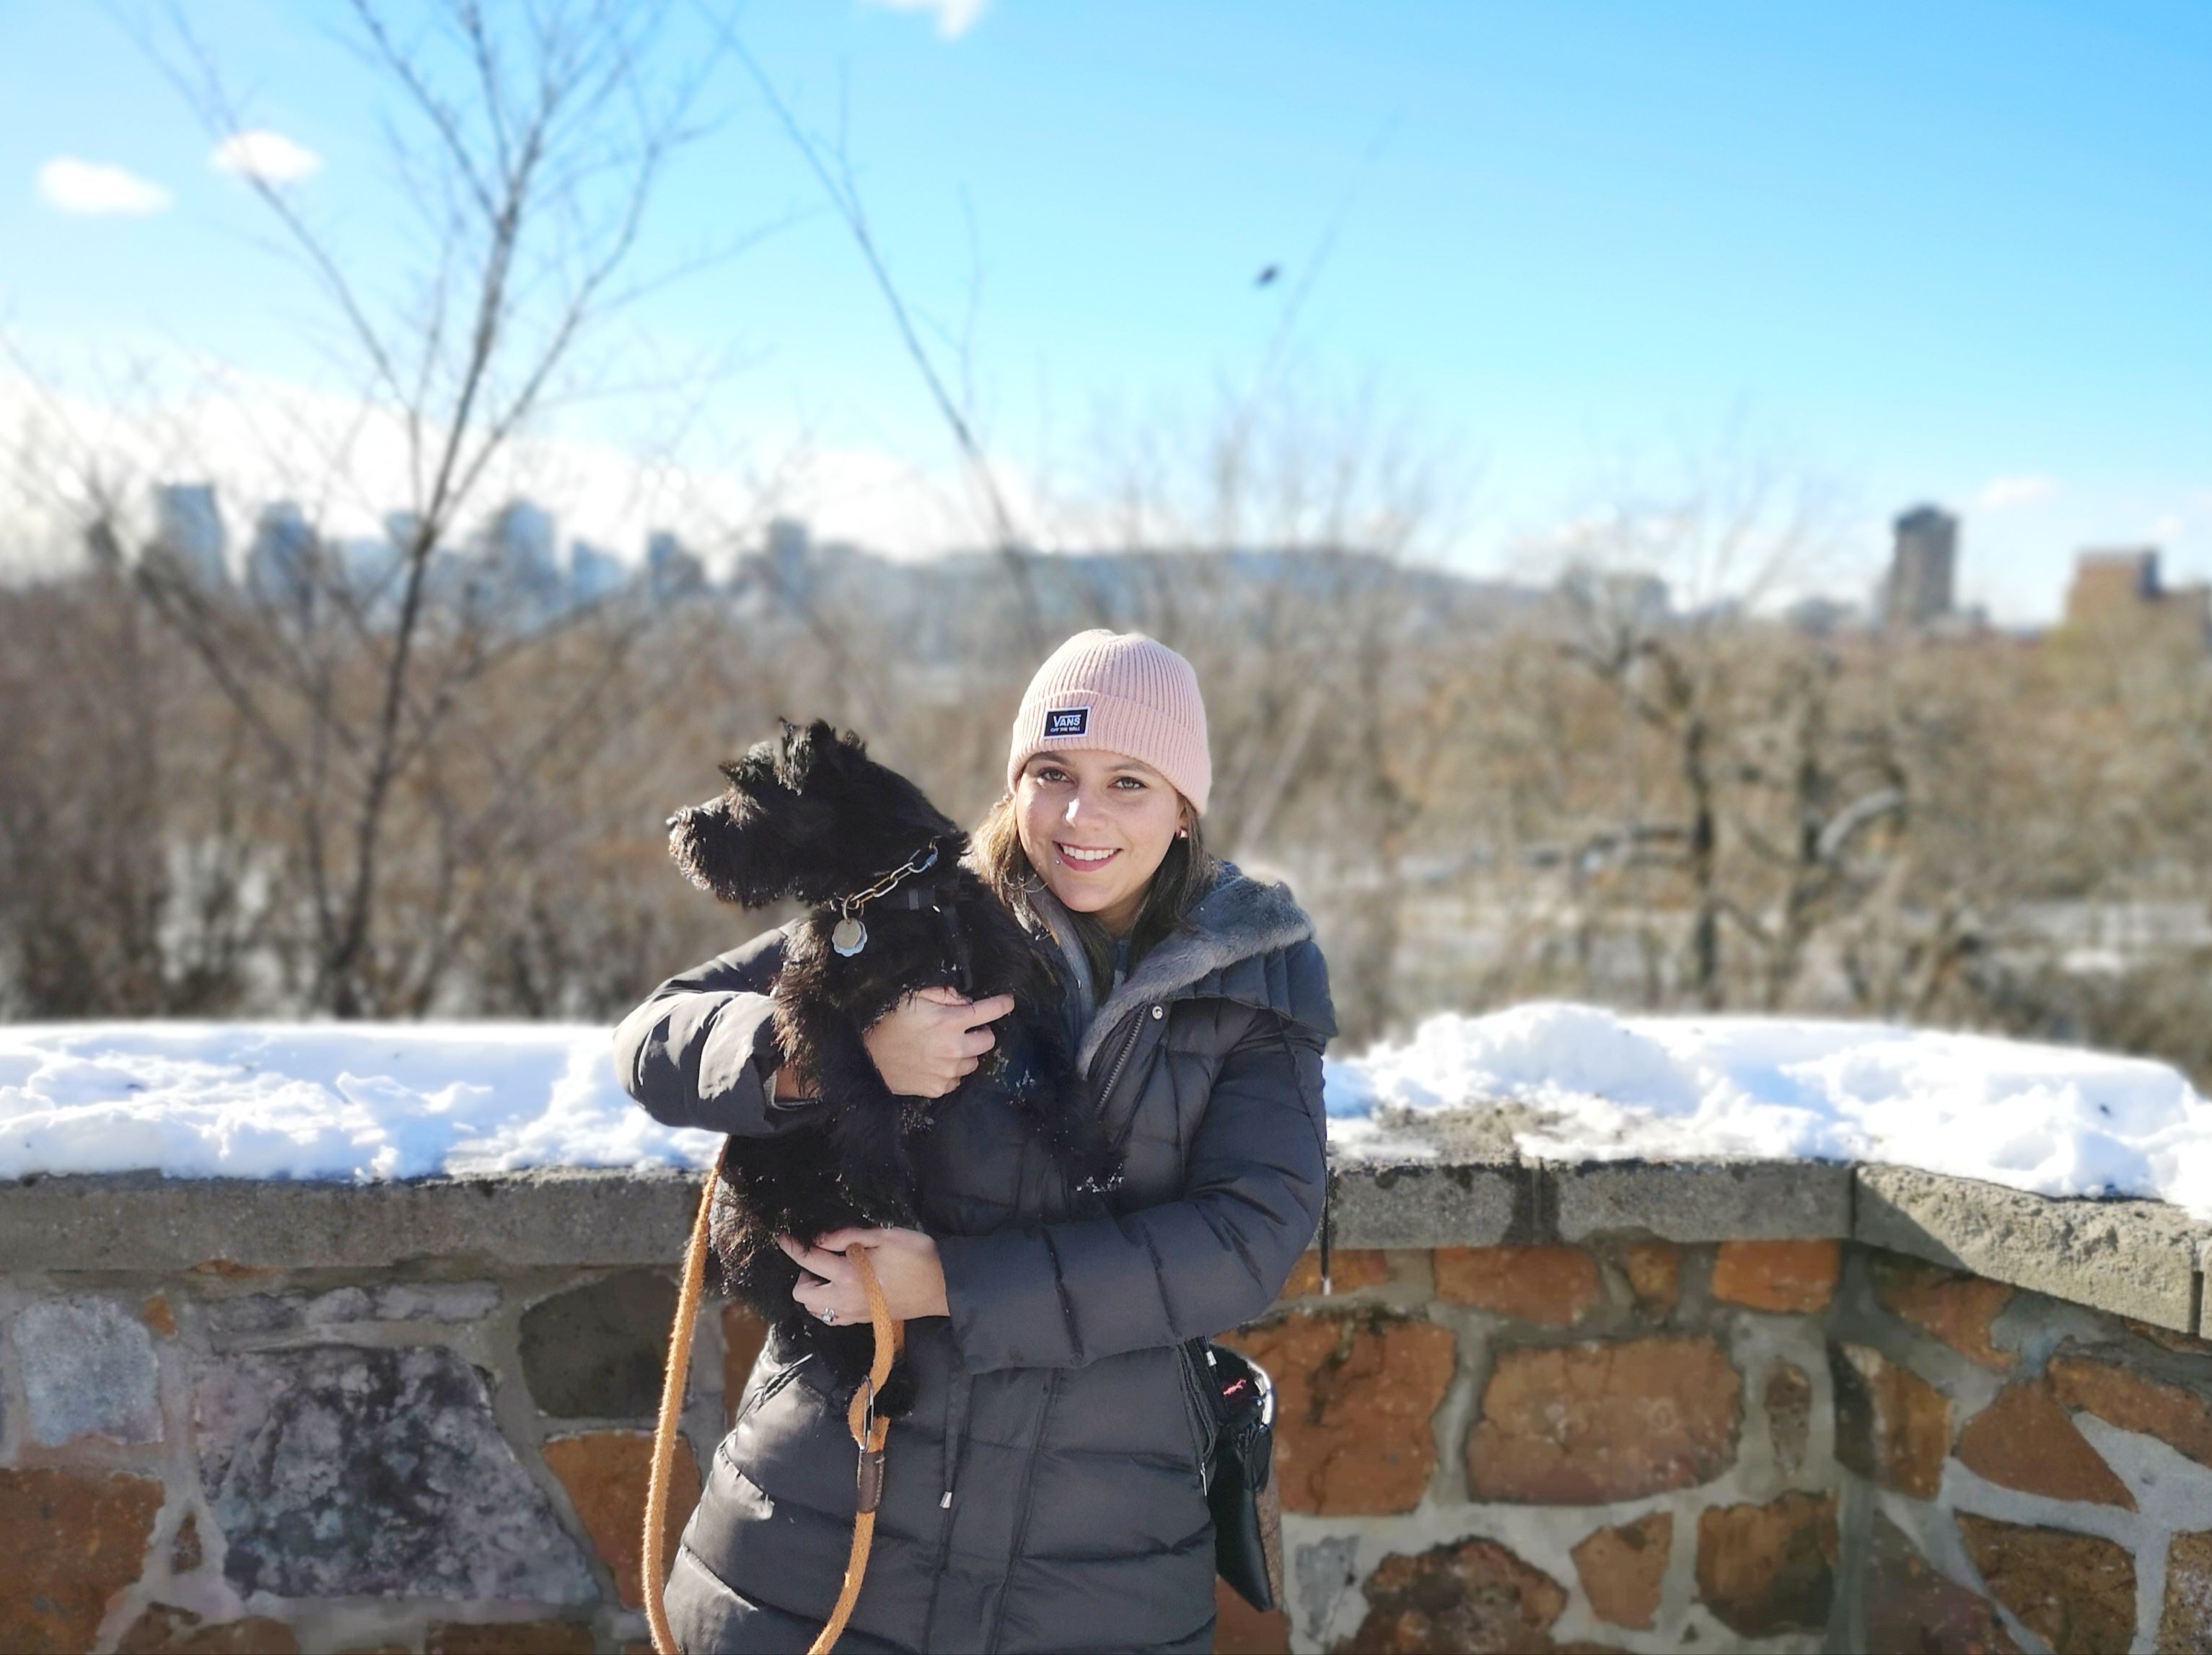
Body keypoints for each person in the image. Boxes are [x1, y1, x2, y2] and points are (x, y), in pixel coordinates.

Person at [615, 630, 1333, 1654]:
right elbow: (653, 1038)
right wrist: (833, 1055)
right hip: (818, 1535)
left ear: (1184, 805)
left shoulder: (1254, 972)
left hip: (1093, 1572)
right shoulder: (911, 904)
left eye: (1128, 781)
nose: (1079, 817)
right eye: (1052, 773)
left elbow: (1246, 1237)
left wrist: (948, 1282)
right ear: (1015, 781)